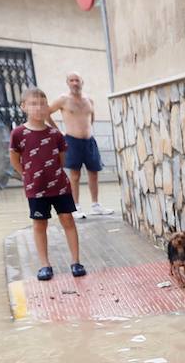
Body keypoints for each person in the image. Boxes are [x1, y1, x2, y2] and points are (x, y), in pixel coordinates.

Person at [10, 87, 86, 282]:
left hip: (59, 186)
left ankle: (76, 262)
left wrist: (52, 174)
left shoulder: (55, 134)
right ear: (24, 107)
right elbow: (14, 159)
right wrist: (27, 177)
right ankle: (45, 265)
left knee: (68, 220)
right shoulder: (18, 133)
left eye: (43, 104)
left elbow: (61, 160)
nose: (39, 108)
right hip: (35, 189)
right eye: (33, 104)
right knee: (39, 224)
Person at [50, 73, 111, 218]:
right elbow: (47, 112)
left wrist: (87, 130)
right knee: (75, 175)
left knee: (94, 173)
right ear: (68, 83)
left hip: (89, 141)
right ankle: (75, 206)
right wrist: (58, 132)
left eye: (77, 80)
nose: (74, 83)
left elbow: (92, 117)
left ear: (82, 82)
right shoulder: (63, 99)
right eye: (71, 80)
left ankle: (96, 205)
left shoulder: (89, 99)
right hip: (72, 140)